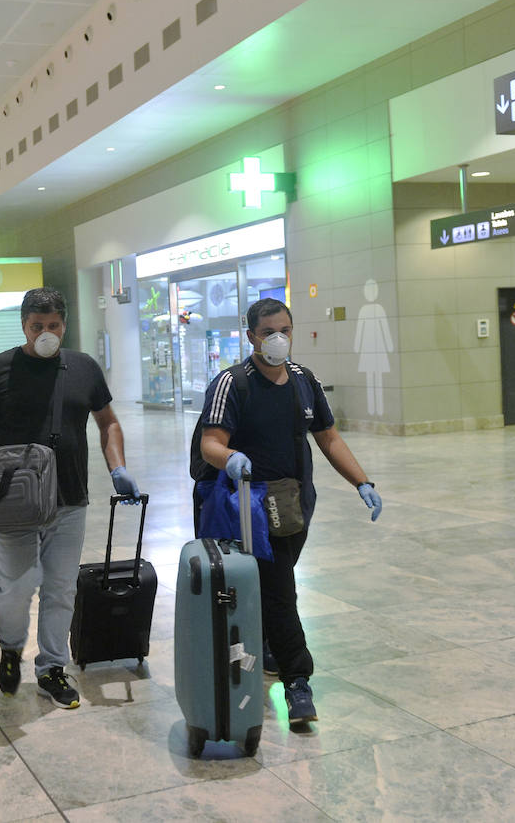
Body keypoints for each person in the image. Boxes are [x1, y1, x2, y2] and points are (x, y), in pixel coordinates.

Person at [197, 298, 382, 729]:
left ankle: (270, 648)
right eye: (267, 333)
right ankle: (298, 680)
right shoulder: (233, 383)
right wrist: (231, 458)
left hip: (294, 503)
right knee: (281, 589)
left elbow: (329, 438)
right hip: (250, 505)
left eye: (284, 330)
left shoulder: (303, 381)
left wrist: (362, 482)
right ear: (251, 337)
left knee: (273, 584)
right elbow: (211, 442)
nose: (278, 339)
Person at [0, 287, 140, 710]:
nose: (45, 333)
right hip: (11, 504)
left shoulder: (83, 368)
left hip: (70, 498)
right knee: (17, 588)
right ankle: (9, 649)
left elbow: (108, 423)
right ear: (24, 325)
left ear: (64, 325)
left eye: (53, 325)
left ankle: (52, 668)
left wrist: (118, 468)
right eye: (37, 326)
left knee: (59, 590)